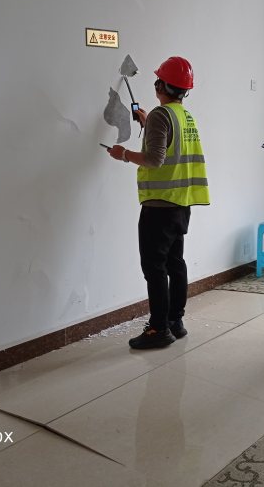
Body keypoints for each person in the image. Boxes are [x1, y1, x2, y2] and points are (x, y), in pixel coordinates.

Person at [108, 56, 210, 349]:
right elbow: (169, 143)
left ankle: (158, 329)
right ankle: (175, 321)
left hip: (159, 206)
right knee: (175, 263)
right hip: (180, 204)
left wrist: (123, 154)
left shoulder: (160, 116)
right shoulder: (183, 115)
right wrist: (148, 121)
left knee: (154, 267)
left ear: (161, 86)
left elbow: (155, 159)